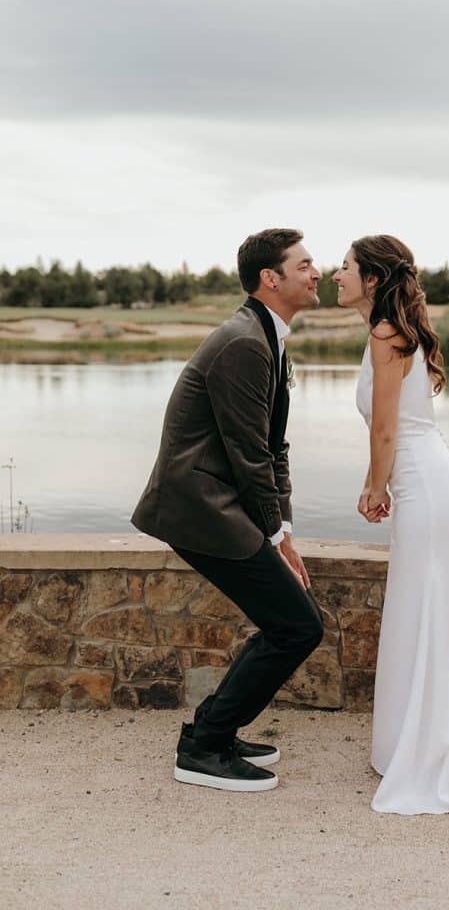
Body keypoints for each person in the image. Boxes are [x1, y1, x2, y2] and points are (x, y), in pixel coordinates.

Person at [132, 228, 324, 792]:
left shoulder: (267, 336)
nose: (317, 272)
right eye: (306, 264)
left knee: (288, 621)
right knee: (298, 625)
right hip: (199, 507)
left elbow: (274, 447)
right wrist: (271, 534)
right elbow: (248, 455)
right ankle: (205, 746)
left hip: (219, 503)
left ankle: (210, 734)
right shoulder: (244, 341)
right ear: (273, 278)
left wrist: (284, 530)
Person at [333, 236, 449, 815]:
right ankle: (408, 745)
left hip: (423, 485)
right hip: (425, 483)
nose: (337, 274)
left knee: (428, 612)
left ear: (374, 280)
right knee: (419, 612)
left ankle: (433, 754)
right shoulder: (384, 331)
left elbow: (385, 429)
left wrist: (373, 486)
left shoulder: (387, 334)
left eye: (347, 267)